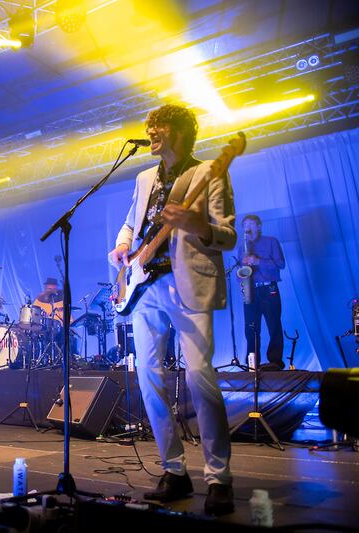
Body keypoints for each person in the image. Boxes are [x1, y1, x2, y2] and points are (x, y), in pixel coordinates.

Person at [108, 104, 236, 516]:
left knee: (201, 376)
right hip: (145, 287)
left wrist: (196, 224)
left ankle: (219, 477)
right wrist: (124, 245)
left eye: (157, 125)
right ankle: (174, 470)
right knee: (149, 378)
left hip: (188, 285)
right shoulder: (145, 177)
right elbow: (132, 222)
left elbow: (228, 235)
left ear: (180, 132)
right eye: (148, 125)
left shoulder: (208, 173)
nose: (149, 130)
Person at [239, 214, 286, 370]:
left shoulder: (271, 241)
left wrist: (257, 261)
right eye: (245, 225)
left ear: (259, 226)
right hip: (250, 290)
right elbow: (241, 272)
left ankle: (275, 362)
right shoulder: (242, 248)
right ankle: (252, 363)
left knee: (274, 325)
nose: (247, 227)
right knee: (250, 328)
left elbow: (280, 264)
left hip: (268, 288)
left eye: (251, 224)